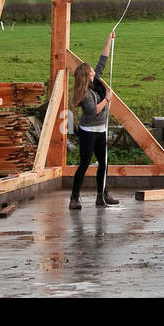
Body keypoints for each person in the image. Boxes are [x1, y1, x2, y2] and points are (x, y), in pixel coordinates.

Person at [70, 31, 119, 210]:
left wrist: (109, 40)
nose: (93, 70)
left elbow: (102, 61)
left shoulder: (95, 81)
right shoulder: (86, 94)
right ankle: (74, 198)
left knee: (104, 164)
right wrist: (107, 99)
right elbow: (92, 112)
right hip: (88, 132)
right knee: (84, 164)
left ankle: (101, 195)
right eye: (90, 69)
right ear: (87, 75)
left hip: (100, 131)